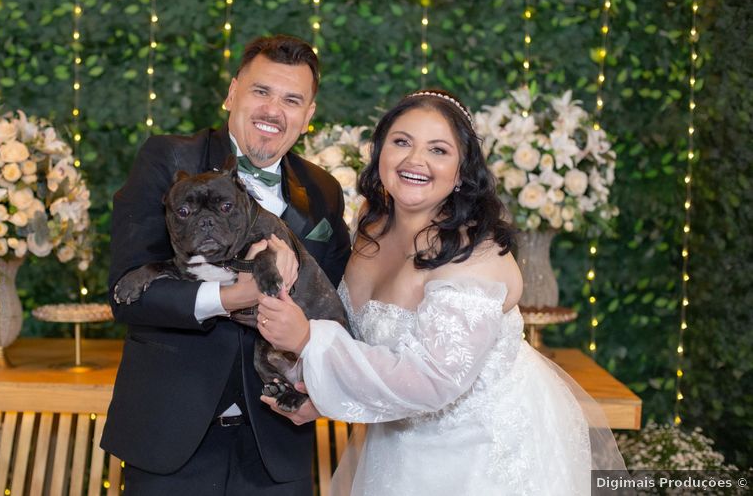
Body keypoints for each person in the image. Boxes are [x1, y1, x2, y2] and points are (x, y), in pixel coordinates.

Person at [256, 89, 625, 495]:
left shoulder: (477, 256)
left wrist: (310, 340)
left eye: (438, 150)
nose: (416, 161)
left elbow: (433, 380)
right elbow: (366, 338)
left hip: (480, 459)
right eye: (401, 142)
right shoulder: (372, 225)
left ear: (462, 171)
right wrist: (320, 391)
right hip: (395, 445)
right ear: (380, 152)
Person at [101, 35, 351, 495]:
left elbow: (333, 304)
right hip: (171, 438)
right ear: (232, 92)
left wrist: (322, 388)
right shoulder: (169, 158)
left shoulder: (323, 189)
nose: (273, 110)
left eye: (291, 99)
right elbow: (126, 294)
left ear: (308, 115)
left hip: (278, 442)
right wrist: (232, 296)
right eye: (261, 91)